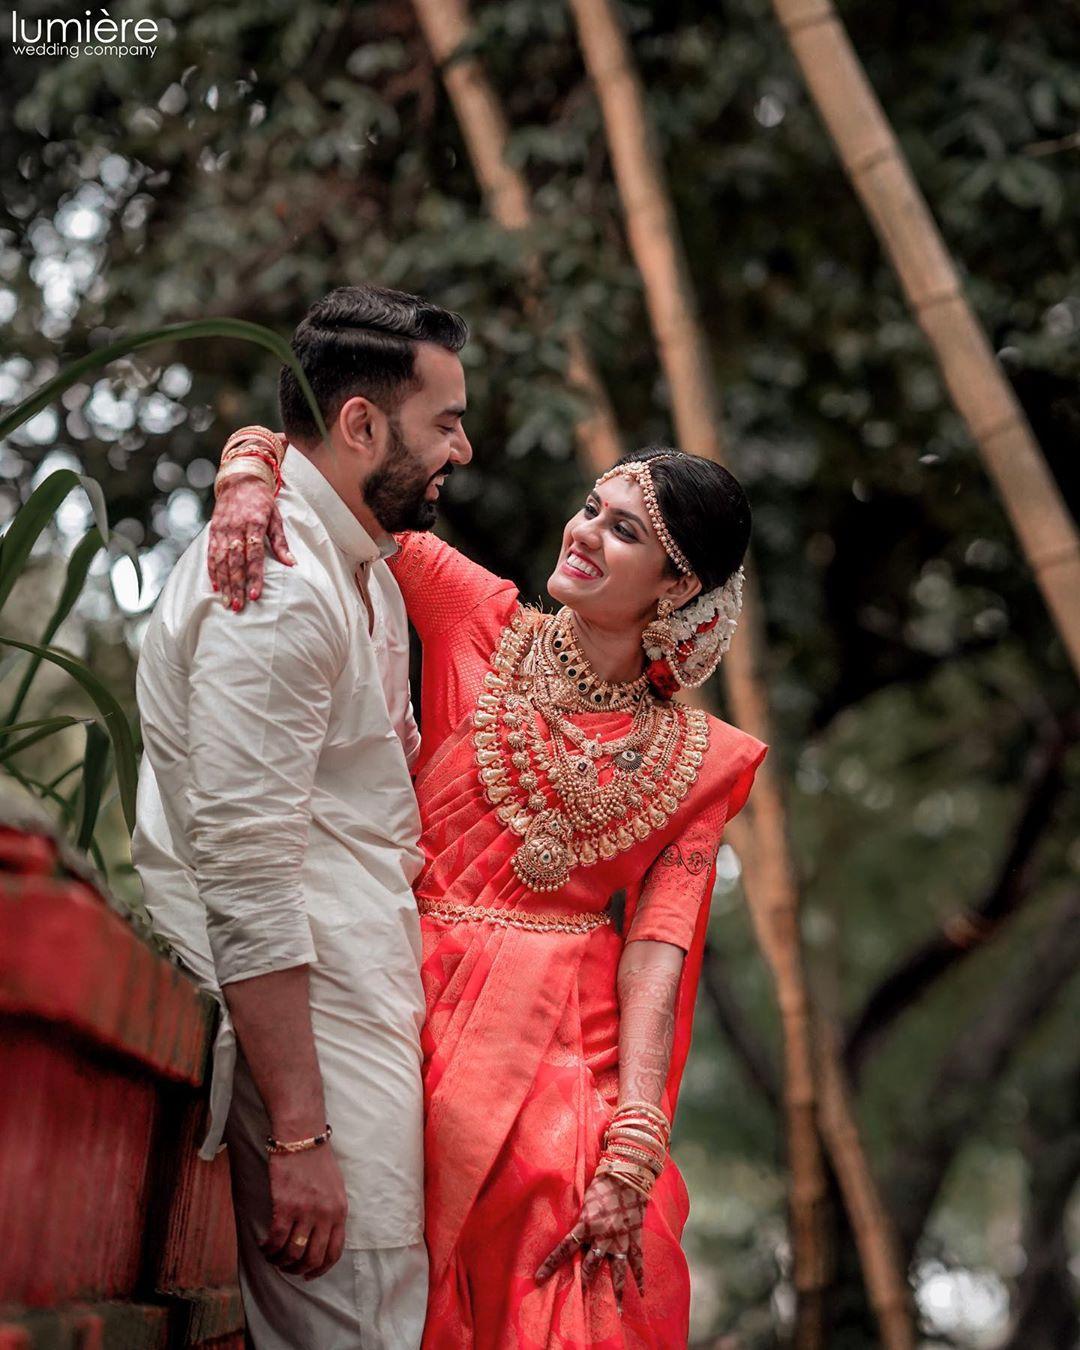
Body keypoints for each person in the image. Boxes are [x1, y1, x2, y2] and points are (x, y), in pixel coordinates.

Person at [208, 421, 767, 1347]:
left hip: (565, 1054)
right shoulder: (479, 617)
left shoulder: (700, 764)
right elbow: (335, 489)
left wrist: (632, 1146)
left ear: (680, 588)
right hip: (405, 998)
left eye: (625, 531)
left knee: (586, 1265)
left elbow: (655, 959)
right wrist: (245, 477)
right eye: (592, 508)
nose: (583, 532)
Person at [131, 284, 473, 1349]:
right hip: (315, 1032)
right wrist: (299, 1134)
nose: (463, 450)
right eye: (447, 423)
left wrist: (251, 458)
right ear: (364, 426)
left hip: (364, 999)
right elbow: (246, 873)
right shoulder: (275, 586)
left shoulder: (360, 561)